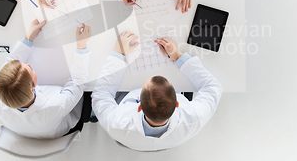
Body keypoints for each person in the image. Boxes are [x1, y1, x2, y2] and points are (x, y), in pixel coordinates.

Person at [92, 32, 222, 151]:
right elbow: (213, 88)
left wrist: (118, 54)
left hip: (130, 139)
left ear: (139, 107)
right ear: (177, 103)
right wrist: (178, 56)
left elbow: (101, 94)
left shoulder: (116, 123)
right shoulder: (194, 118)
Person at [0, 20, 92, 139]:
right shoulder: (53, 107)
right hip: (60, 126)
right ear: (33, 88)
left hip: (28, 129)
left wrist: (28, 38)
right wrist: (81, 46)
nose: (28, 64)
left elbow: (10, 61)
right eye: (30, 69)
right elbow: (78, 81)